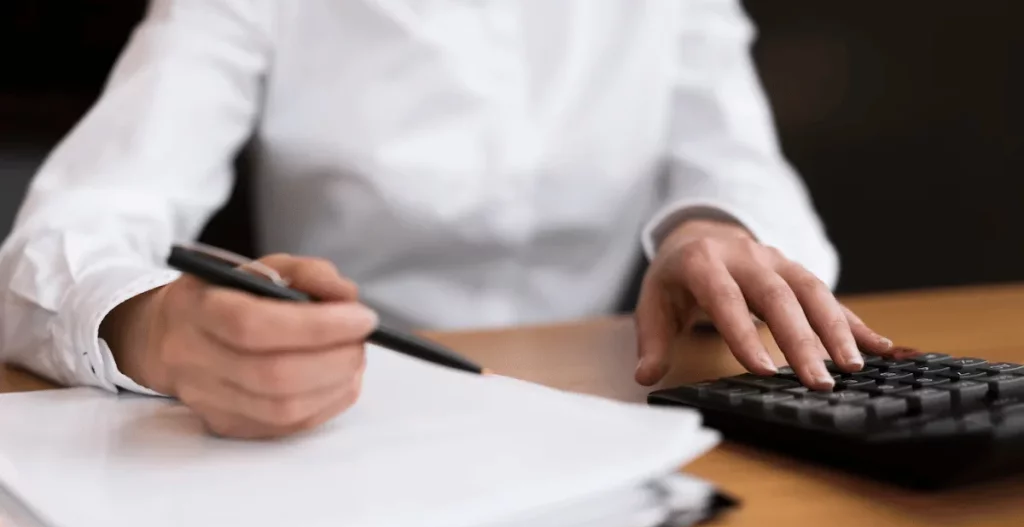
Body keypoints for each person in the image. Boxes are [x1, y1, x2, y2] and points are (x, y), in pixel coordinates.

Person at [0, 0, 891, 439]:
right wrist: (158, 327)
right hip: (335, 421)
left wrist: (708, 228)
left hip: (598, 413)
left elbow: (748, 172)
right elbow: (63, 232)